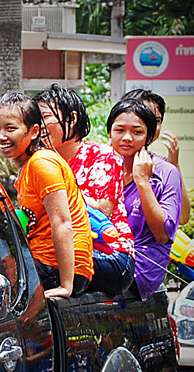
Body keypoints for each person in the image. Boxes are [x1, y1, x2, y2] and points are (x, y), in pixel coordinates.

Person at [0, 92, 92, 298]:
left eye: (10, 128)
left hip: (57, 268)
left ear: (34, 131)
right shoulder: (26, 167)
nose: (1, 136)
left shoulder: (41, 163)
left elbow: (62, 222)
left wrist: (66, 286)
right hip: (43, 262)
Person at [36, 84, 134, 295]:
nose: (39, 126)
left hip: (113, 256)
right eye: (35, 120)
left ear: (71, 119)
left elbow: (103, 210)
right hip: (69, 250)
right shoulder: (41, 163)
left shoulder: (101, 155)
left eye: (44, 117)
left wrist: (60, 193)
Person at [107, 98, 184, 299]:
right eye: (120, 130)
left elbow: (162, 234)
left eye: (137, 132)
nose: (127, 138)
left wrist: (142, 181)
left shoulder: (166, 173)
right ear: (110, 133)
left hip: (140, 270)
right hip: (104, 258)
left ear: (149, 136)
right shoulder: (101, 170)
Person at [122, 88, 190, 225]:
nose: (151, 124)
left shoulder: (164, 169)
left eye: (157, 121)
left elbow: (182, 218)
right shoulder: (101, 161)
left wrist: (174, 166)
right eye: (144, 117)